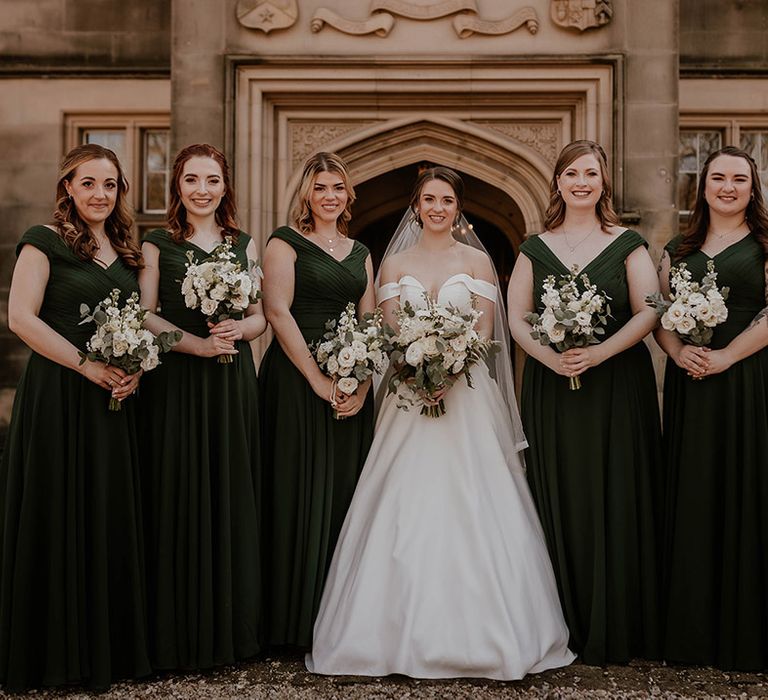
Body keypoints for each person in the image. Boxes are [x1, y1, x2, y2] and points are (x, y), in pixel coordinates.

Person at [306, 166, 575, 679]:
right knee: (400, 504)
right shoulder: (393, 264)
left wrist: (450, 371)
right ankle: (383, 635)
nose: (437, 207)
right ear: (416, 205)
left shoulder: (477, 259)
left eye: (446, 200)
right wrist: (413, 368)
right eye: (428, 199)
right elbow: (385, 334)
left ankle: (491, 635)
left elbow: (485, 332)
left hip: (466, 398)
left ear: (458, 207)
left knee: (476, 502)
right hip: (407, 397)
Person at [507, 140, 663, 665]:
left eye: (590, 173)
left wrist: (599, 353)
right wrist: (550, 360)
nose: (580, 181)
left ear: (603, 183)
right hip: (554, 386)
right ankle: (561, 623)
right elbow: (516, 318)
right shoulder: (535, 247)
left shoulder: (628, 243)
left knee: (616, 490)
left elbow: (648, 311)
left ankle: (618, 623)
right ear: (557, 182)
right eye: (571, 172)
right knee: (562, 490)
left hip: (617, 384)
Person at [0, 144, 149, 691]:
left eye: (110, 185)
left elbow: (136, 322)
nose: (99, 195)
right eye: (88, 184)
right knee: (58, 508)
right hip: (60, 393)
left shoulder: (125, 252)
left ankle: (103, 651)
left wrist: (135, 368)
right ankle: (52, 654)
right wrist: (86, 364)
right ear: (68, 187)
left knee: (103, 509)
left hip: (111, 398)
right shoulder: (44, 241)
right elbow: (20, 318)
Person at [138, 143, 266, 669]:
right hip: (177, 381)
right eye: (191, 180)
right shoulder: (156, 245)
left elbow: (260, 317)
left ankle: (231, 630)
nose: (202, 190)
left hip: (231, 380)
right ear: (178, 187)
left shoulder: (244, 244)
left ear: (225, 186)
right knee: (178, 489)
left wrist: (240, 330)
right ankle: (174, 634)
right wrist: (196, 345)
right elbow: (145, 315)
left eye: (212, 180)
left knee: (229, 488)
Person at [657, 145, 768, 670]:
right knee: (694, 491)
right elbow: (658, 317)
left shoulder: (765, 243)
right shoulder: (677, 250)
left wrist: (726, 356)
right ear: (702, 187)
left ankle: (745, 634)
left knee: (746, 489)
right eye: (718, 177)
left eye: (739, 179)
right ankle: (692, 635)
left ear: (753, 187)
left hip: (747, 380)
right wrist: (680, 353)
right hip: (691, 384)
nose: (728, 186)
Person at [260, 152, 376, 648]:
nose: (330, 195)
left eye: (338, 187)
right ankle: (291, 621)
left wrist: (363, 383)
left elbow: (371, 323)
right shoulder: (284, 243)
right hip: (295, 381)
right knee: (294, 489)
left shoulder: (361, 252)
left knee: (348, 495)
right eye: (320, 187)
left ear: (349, 195)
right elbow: (278, 312)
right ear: (306, 193)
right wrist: (315, 379)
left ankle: (341, 621)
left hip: (350, 384)